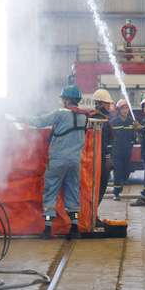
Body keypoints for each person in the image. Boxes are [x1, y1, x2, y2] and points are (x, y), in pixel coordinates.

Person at [29, 85, 88, 240]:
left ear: (67, 100)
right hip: (74, 161)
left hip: (58, 160)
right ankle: (74, 227)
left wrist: (21, 118)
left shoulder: (60, 113)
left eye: (63, 99)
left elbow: (39, 122)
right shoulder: (83, 117)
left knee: (51, 192)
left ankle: (48, 228)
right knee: (72, 192)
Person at [90, 89, 114, 226]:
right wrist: (108, 158)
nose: (109, 106)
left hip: (94, 158)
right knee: (99, 188)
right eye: (107, 103)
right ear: (100, 103)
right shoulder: (102, 119)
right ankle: (92, 216)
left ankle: (92, 215)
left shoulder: (93, 116)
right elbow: (105, 142)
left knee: (95, 188)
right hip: (101, 159)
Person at [111, 99, 135, 201]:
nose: (125, 110)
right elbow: (110, 136)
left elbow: (134, 135)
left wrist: (133, 142)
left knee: (126, 171)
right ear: (119, 110)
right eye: (123, 108)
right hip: (117, 151)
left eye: (126, 108)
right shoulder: (114, 122)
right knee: (118, 171)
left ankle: (121, 182)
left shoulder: (131, 122)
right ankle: (116, 193)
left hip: (127, 151)